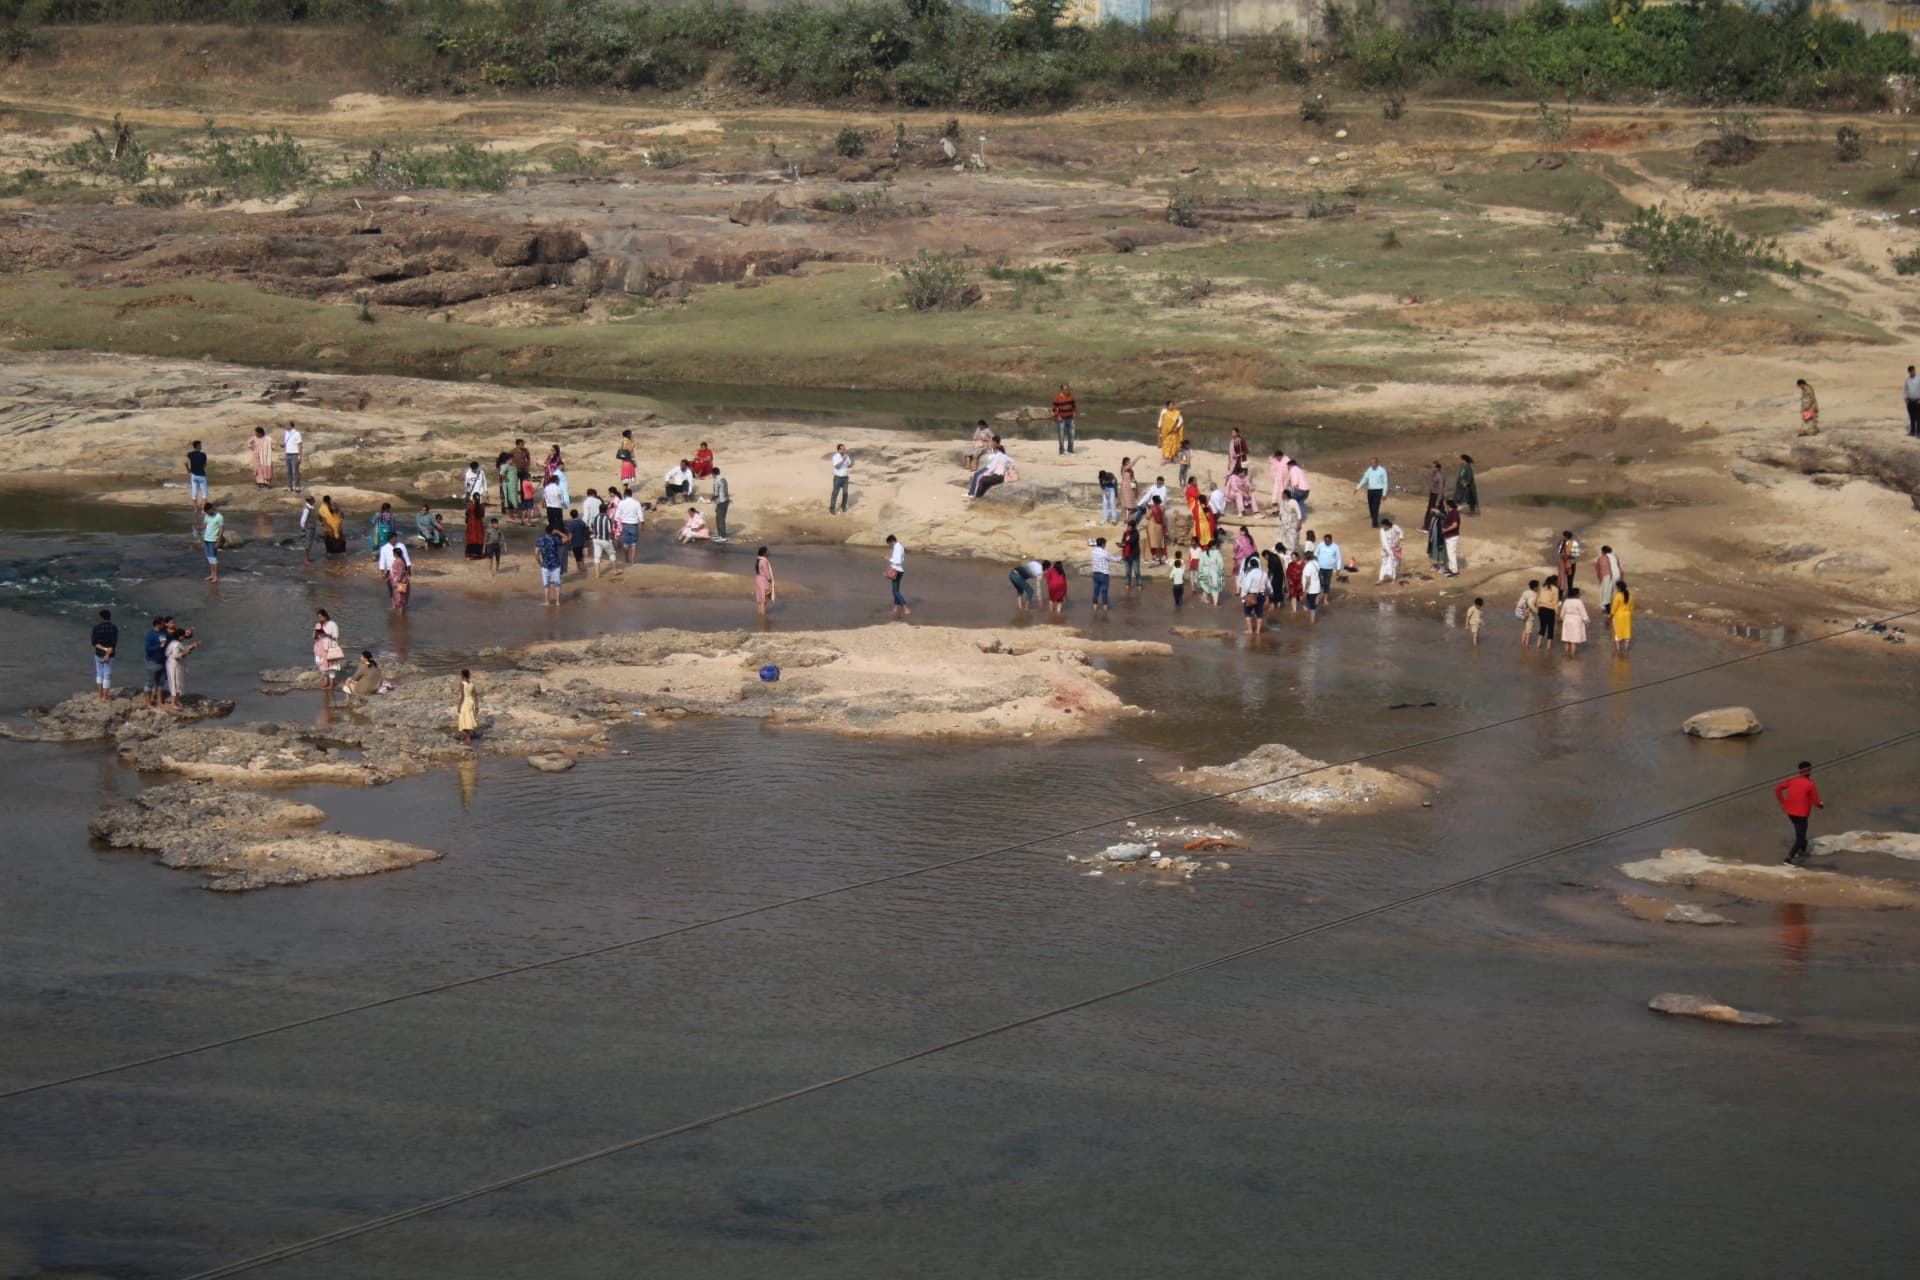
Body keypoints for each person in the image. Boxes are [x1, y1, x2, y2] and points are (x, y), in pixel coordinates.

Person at [1776, 761, 1824, 863]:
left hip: (1790, 812)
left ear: (1799, 771)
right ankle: (1789, 858)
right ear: (1810, 770)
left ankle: (1802, 850)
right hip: (1801, 814)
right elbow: (1815, 802)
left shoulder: (1792, 780)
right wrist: (1821, 805)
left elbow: (1778, 789)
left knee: (1801, 833)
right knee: (1800, 837)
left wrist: (1783, 803)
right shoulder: (1810, 784)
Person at [164, 623, 198, 708]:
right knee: (175, 684)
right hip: (174, 666)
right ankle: (173, 703)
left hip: (177, 665)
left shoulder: (176, 643)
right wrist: (185, 653)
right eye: (183, 636)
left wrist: (193, 646)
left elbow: (184, 648)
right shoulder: (175, 644)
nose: (184, 637)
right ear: (179, 636)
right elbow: (176, 656)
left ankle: (176, 701)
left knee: (179, 683)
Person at [1237, 554, 1269, 634]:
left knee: (1247, 613)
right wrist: (1269, 593)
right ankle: (1258, 630)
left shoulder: (1250, 574)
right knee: (1259, 613)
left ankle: (1250, 630)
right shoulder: (1264, 574)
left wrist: (1243, 595)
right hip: (1261, 595)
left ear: (1250, 565)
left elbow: (1246, 586)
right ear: (1258, 565)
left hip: (1250, 595)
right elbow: (1268, 586)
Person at [378, 536, 412, 611]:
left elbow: (400, 572)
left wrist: (397, 581)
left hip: (399, 581)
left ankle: (401, 612)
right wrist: (387, 577)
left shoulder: (400, 562)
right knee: (397, 594)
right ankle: (398, 609)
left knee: (400, 595)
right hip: (395, 579)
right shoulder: (385, 549)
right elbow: (385, 565)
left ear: (395, 554)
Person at [536, 524, 566, 605]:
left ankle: (547, 601)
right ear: (553, 531)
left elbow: (536, 553)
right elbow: (566, 538)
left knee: (546, 585)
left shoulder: (540, 539)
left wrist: (539, 562)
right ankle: (557, 602)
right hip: (555, 564)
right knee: (557, 583)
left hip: (545, 564)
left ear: (545, 531)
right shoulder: (555, 539)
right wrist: (559, 532)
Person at [90, 609, 117, 700]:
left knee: (99, 673)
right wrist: (107, 654)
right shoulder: (114, 628)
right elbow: (113, 644)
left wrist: (103, 649)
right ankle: (105, 697)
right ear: (110, 617)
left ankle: (100, 695)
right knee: (107, 675)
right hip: (109, 655)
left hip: (98, 654)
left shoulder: (96, 628)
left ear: (101, 618)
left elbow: (94, 643)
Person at [143, 616, 170, 707]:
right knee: (149, 683)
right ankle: (148, 702)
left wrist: (188, 634)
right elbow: (147, 648)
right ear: (158, 624)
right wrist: (160, 646)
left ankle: (159, 701)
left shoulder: (164, 632)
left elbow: (174, 632)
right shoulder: (150, 634)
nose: (164, 625)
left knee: (161, 683)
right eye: (163, 623)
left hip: (163, 661)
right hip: (152, 662)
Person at [1355, 456, 1388, 528]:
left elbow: (1385, 482)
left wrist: (1384, 493)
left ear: (1377, 463)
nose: (1372, 464)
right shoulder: (1369, 470)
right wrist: (1357, 487)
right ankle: (1374, 519)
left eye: (1374, 463)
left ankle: (1375, 523)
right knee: (1371, 507)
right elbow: (1364, 479)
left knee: (1376, 506)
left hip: (1378, 490)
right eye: (1371, 463)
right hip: (1370, 491)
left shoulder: (1382, 470)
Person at [616, 487, 645, 563]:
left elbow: (617, 515)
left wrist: (616, 524)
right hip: (634, 525)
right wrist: (642, 524)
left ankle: (626, 558)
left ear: (625, 494)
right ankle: (633, 559)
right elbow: (640, 515)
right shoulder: (636, 503)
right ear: (631, 494)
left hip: (625, 524)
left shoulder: (621, 503)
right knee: (634, 543)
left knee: (625, 543)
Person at [885, 534, 909, 617]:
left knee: (894, 591)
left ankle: (906, 608)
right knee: (896, 591)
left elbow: (898, 561)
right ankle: (895, 607)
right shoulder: (899, 546)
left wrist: (888, 558)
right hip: (899, 570)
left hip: (897, 571)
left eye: (889, 544)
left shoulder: (897, 547)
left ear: (892, 541)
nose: (890, 545)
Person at [1195, 539, 1225, 606]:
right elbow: (1221, 563)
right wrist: (1222, 571)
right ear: (1214, 546)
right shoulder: (1217, 552)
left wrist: (1200, 573)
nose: (1217, 547)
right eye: (1216, 546)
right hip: (1214, 573)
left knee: (1206, 586)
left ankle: (1204, 599)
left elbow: (1200, 565)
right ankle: (1215, 605)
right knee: (1215, 589)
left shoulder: (1203, 553)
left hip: (1205, 573)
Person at [1595, 544, 1623, 613]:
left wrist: (1600, 578)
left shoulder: (1602, 558)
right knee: (1611, 590)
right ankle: (1610, 605)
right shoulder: (1615, 556)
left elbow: (1600, 569)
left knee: (1605, 591)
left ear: (1603, 551)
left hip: (1608, 575)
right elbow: (1619, 566)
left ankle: (1605, 607)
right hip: (1617, 574)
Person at [1315, 533, 1342, 604]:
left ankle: (1325, 599)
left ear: (1331, 540)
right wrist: (1315, 563)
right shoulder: (1320, 545)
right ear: (1324, 540)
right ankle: (1317, 598)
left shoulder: (1335, 547)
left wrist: (1338, 569)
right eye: (1325, 541)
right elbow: (1315, 554)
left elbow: (1339, 558)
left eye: (1328, 541)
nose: (1327, 542)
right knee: (1319, 583)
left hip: (1329, 568)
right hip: (1320, 567)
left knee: (1327, 583)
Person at [200, 502, 224, 582]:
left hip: (213, 540)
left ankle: (216, 576)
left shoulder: (219, 517)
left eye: (207, 511)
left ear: (211, 509)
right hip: (206, 539)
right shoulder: (207, 515)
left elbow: (221, 530)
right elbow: (204, 526)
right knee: (209, 558)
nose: (207, 513)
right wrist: (198, 528)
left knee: (214, 558)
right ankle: (212, 575)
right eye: (206, 512)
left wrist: (218, 541)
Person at [588, 499, 614, 572]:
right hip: (605, 539)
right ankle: (615, 570)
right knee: (612, 554)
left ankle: (597, 574)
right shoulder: (607, 518)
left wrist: (596, 532)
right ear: (606, 510)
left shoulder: (595, 518)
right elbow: (609, 531)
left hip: (596, 539)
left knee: (597, 557)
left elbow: (591, 529)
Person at [1274, 487, 1302, 555]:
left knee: (1292, 540)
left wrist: (1299, 523)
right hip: (1284, 525)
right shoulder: (1282, 502)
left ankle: (1291, 554)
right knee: (1282, 539)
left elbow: (1299, 513)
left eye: (1283, 494)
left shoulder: (1293, 502)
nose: (1282, 496)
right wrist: (1281, 518)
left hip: (1292, 525)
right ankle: (1282, 551)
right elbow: (1281, 512)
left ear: (1286, 495)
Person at [456, 669, 480, 746]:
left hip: (465, 702)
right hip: (471, 702)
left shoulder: (462, 683)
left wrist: (459, 705)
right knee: (468, 719)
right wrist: (477, 705)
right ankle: (468, 736)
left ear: (462, 675)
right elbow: (475, 695)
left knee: (464, 721)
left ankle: (468, 738)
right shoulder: (471, 684)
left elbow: (462, 696)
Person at [1534, 576, 1560, 645]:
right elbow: (1555, 602)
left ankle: (1538, 644)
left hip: (1541, 609)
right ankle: (1548, 648)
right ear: (1555, 581)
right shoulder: (1555, 589)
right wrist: (1557, 612)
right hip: (1550, 610)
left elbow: (1538, 599)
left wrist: (1537, 609)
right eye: (1557, 581)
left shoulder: (1543, 587)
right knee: (1550, 629)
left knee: (1542, 627)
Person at [1089, 537, 1113, 612]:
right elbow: (1112, 559)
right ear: (1103, 544)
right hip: (1104, 574)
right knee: (1104, 591)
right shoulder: (1105, 552)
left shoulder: (1093, 552)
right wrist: (1121, 558)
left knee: (1096, 591)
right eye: (1105, 544)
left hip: (1096, 574)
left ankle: (1095, 607)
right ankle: (1105, 608)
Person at [1053, 383, 1077, 455]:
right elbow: (1054, 409)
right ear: (1062, 390)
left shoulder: (1071, 397)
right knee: (1061, 435)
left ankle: (1070, 449)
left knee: (1071, 435)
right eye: (1065, 389)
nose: (1067, 391)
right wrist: (1058, 416)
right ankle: (1062, 451)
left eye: (1068, 389)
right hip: (1062, 419)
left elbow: (1074, 406)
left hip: (1070, 418)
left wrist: (1074, 412)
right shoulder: (1057, 397)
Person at [1440, 500, 1462, 577]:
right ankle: (1451, 569)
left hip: (1452, 536)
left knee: (1451, 554)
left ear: (1449, 505)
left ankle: (1455, 571)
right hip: (1449, 536)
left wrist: (1445, 530)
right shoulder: (1450, 513)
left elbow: (1455, 525)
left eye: (1446, 505)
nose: (1445, 506)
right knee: (1450, 554)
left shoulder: (1455, 513)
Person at [1144, 496, 1169, 564]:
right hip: (1160, 527)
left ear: (1153, 501)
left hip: (1152, 527)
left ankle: (1154, 556)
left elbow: (1147, 517)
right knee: (1161, 542)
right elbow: (1161, 511)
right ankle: (1164, 556)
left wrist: (1147, 508)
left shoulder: (1152, 508)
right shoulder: (1162, 508)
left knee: (1152, 542)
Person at [829, 444, 853, 514]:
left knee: (845, 493)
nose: (843, 450)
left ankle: (843, 506)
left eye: (844, 449)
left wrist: (850, 465)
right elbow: (837, 467)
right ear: (838, 450)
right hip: (838, 478)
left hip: (845, 478)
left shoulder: (847, 456)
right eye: (842, 449)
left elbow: (849, 465)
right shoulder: (835, 457)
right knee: (835, 493)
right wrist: (843, 460)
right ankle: (832, 508)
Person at [1611, 582, 1634, 654]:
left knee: (1618, 632)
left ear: (1619, 588)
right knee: (1627, 632)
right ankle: (1626, 650)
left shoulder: (1618, 596)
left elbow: (1614, 607)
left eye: (1616, 587)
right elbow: (1632, 607)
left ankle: (1618, 650)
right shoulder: (1630, 596)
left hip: (1618, 616)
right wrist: (1630, 615)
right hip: (1627, 616)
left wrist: (1611, 615)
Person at [710, 466, 731, 542]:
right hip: (726, 500)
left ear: (713, 474)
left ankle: (723, 536)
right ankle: (719, 534)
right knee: (719, 518)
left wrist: (711, 500)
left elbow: (715, 494)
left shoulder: (716, 481)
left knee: (720, 519)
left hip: (721, 502)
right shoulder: (723, 479)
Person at [1378, 517, 1402, 583]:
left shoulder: (1394, 527)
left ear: (1387, 525)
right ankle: (1381, 579)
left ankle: (1393, 579)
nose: (1383, 527)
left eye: (1384, 526)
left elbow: (1401, 532)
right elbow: (1384, 542)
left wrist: (1398, 541)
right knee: (1384, 563)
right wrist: (1389, 552)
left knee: (1393, 564)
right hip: (1385, 549)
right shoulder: (1382, 531)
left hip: (1394, 548)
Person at [1517, 579, 1540, 649]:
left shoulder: (1525, 592)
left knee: (1525, 629)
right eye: (1538, 586)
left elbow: (1521, 601)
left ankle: (1522, 642)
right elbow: (1530, 604)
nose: (1539, 588)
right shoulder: (1534, 594)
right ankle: (1526, 646)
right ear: (1534, 587)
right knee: (1529, 631)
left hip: (1522, 612)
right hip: (1529, 613)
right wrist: (1537, 612)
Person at [1120, 521, 1143, 589]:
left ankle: (1139, 584)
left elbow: (1131, 541)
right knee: (1127, 571)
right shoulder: (1125, 533)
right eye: (1128, 526)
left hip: (1134, 555)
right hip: (1126, 555)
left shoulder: (1136, 533)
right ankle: (1127, 584)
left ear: (1133, 527)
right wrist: (1121, 544)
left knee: (1136, 571)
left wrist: (1124, 543)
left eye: (1130, 527)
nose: (1128, 528)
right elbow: (1123, 541)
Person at [1300, 550, 1322, 622]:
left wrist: (1305, 591)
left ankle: (1312, 621)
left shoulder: (1307, 567)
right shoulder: (1316, 563)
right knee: (1313, 604)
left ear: (1305, 558)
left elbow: (1308, 581)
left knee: (1312, 606)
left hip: (1311, 589)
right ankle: (1312, 618)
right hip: (1317, 587)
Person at [282, 421, 303, 492]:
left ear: (290, 425)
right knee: (288, 471)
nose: (285, 426)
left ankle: (297, 486)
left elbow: (300, 445)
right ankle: (289, 486)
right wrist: (283, 445)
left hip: (295, 454)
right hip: (287, 454)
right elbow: (286, 443)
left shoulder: (297, 433)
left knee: (295, 471)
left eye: (286, 424)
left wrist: (300, 456)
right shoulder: (286, 433)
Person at [754, 547, 777, 614]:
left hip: (758, 579)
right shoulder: (764, 561)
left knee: (760, 598)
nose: (769, 552)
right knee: (764, 599)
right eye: (767, 551)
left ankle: (760, 613)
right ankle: (763, 614)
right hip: (764, 581)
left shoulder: (758, 560)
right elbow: (767, 573)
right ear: (764, 553)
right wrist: (770, 580)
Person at [1555, 530, 1578, 594]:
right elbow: (1559, 552)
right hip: (1563, 563)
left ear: (1567, 536)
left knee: (1570, 581)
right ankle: (1561, 595)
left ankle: (1570, 594)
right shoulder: (1561, 542)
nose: (1563, 537)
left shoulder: (1574, 543)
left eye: (1564, 536)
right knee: (1561, 580)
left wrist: (1567, 557)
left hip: (1571, 564)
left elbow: (1575, 555)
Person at [1425, 460, 1445, 524]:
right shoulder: (1434, 475)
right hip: (1433, 495)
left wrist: (1438, 501)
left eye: (1433, 467)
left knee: (1433, 511)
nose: (1432, 468)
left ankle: (1428, 526)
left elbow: (1441, 489)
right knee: (1432, 511)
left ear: (1437, 468)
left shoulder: (1440, 477)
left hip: (1436, 496)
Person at [1906, 365, 1920, 438]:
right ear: (1909, 372)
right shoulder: (1907, 380)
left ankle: (1918, 433)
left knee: (1918, 417)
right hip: (1910, 401)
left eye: (1914, 370)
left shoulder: (1919, 379)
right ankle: (1912, 432)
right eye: (1912, 371)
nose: (1913, 372)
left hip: (1917, 401)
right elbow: (1906, 390)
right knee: (1912, 417)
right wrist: (1906, 399)